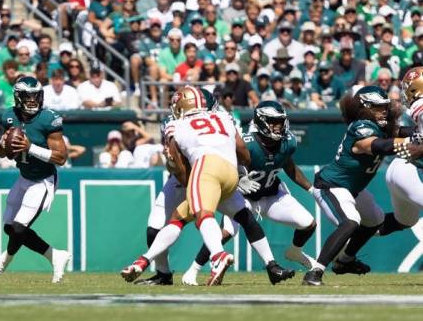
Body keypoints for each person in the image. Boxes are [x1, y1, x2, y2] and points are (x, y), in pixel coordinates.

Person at [122, 86, 248, 286]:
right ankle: (153, 267)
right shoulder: (222, 119)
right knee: (167, 222)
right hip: (208, 176)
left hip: (202, 173)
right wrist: (240, 170)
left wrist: (194, 187)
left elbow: (181, 167)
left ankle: (217, 256)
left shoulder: (179, 125)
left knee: (205, 216)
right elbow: (243, 153)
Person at [181, 101, 316, 285]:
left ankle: (294, 252)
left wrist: (311, 188)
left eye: (280, 121)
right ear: (261, 121)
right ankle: (193, 271)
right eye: (273, 121)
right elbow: (224, 165)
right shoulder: (247, 142)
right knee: (225, 233)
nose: (278, 126)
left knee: (308, 223)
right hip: (242, 196)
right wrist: (237, 179)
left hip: (272, 195)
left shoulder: (288, 142)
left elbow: (289, 166)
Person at [305, 86, 423, 286]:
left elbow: (406, 132)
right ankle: (315, 272)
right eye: (378, 108)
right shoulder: (361, 126)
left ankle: (345, 261)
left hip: (353, 189)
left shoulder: (382, 126)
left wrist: (418, 134)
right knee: (351, 221)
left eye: (385, 107)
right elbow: (378, 145)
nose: (383, 111)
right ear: (365, 108)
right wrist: (409, 144)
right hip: (331, 186)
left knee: (375, 220)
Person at [0, 76, 71, 283]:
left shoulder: (48, 118)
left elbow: (61, 158)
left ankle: (4, 261)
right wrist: (3, 144)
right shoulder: (9, 116)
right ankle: (55, 255)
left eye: (36, 96)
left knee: (19, 228)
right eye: (27, 96)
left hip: (43, 180)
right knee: (10, 228)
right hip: (24, 177)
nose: (32, 100)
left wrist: (30, 147)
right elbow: (3, 153)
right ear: (17, 97)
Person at [380, 68, 423, 237]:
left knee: (403, 221)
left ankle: (349, 243)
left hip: (400, 168)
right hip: (411, 171)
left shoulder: (416, 107)